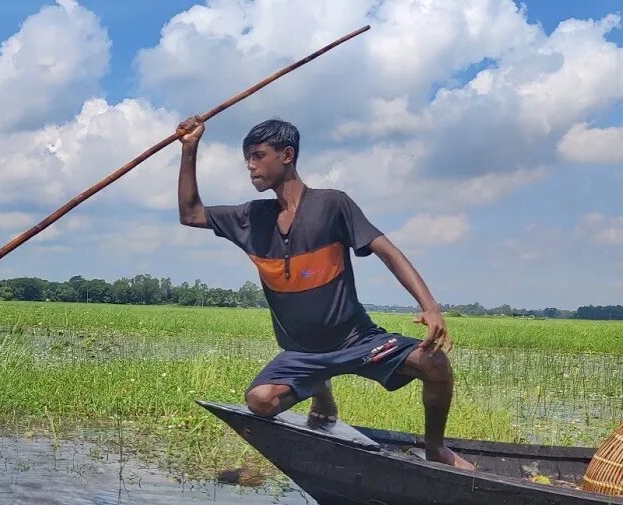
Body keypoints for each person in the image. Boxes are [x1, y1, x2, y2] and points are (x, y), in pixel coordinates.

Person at [176, 116, 473, 469]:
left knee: (434, 363)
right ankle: (320, 385)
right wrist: (190, 148)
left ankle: (437, 449)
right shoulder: (250, 218)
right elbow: (191, 214)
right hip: (302, 354)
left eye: (258, 156)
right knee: (260, 401)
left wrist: (430, 307)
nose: (251, 167)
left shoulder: (332, 205)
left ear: (287, 155)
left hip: (357, 341)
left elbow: (387, 251)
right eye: (247, 160)